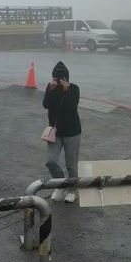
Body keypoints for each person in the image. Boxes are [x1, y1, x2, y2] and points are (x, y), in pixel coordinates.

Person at [43, 61, 81, 202]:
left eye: (62, 78)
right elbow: (46, 104)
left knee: (71, 164)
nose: (59, 81)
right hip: (56, 132)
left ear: (67, 78)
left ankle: (73, 189)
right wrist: (50, 90)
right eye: (56, 78)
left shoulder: (74, 89)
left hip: (72, 132)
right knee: (50, 161)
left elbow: (72, 108)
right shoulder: (51, 88)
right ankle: (60, 184)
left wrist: (67, 90)